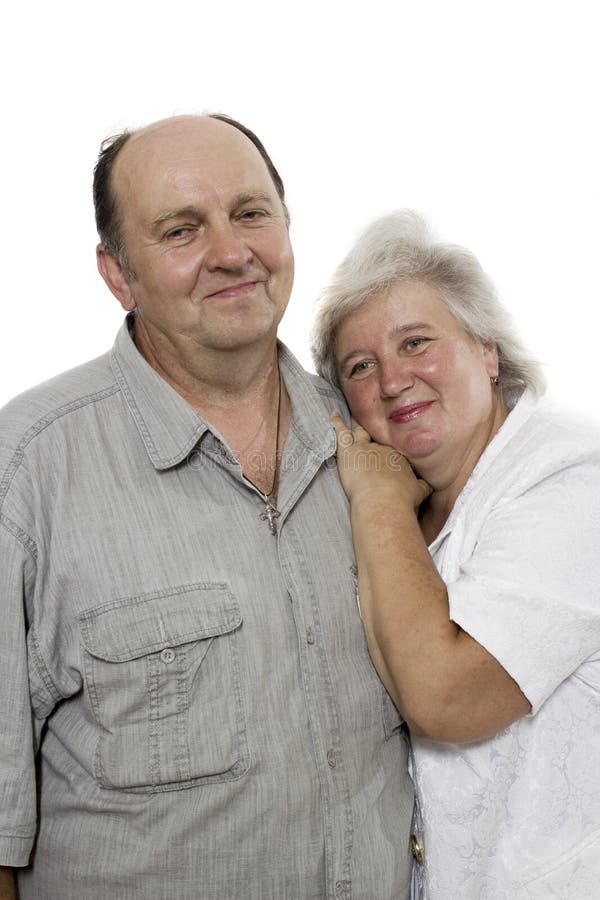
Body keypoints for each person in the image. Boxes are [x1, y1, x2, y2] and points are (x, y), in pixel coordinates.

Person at [0, 116, 415, 900]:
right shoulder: (27, 470)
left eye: (251, 213)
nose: (233, 253)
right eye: (181, 230)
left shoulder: (377, 442)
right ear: (118, 275)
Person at [311, 210, 600, 899]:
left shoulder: (574, 478)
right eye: (361, 365)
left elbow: (443, 698)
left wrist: (378, 503)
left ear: (487, 351)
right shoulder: (411, 507)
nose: (392, 380)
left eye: (416, 342)